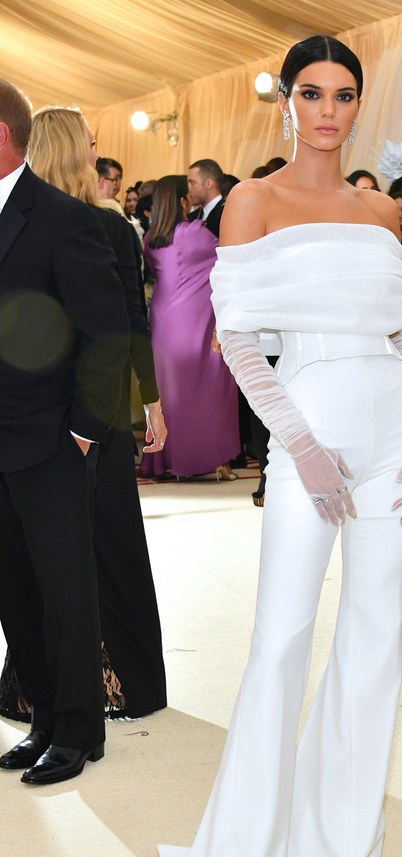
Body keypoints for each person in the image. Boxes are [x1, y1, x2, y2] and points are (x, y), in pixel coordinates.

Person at [70, 34, 402, 857]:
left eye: (344, 95)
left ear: (359, 105)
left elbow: (396, 333)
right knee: (281, 639)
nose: (328, 110)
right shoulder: (253, 202)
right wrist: (299, 445)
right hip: (309, 429)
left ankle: (344, 838)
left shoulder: (380, 212)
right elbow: (236, 339)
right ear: (287, 102)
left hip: (396, 437)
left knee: (376, 632)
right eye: (312, 93)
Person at [0, 104, 168, 722]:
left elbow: (122, 325)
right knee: (45, 559)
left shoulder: (103, 223)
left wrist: (138, 404)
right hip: (51, 419)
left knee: (95, 549)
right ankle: (53, 695)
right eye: (91, 142)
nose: (98, 152)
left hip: (90, 416)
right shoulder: (44, 218)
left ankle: (110, 689)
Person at [0, 80, 130, 784]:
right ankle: (44, 717)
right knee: (14, 591)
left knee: (65, 590)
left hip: (51, 439)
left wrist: (82, 432)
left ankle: (80, 729)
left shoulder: (62, 218)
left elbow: (107, 331)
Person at [138, 175, 239, 480]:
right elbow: (229, 258)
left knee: (167, 390)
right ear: (182, 201)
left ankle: (167, 457)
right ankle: (211, 459)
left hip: (163, 318)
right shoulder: (194, 232)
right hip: (195, 318)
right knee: (208, 387)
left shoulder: (151, 237)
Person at [186, 158, 224, 237]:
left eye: (192, 183)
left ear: (208, 184)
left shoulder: (226, 213)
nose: (188, 189)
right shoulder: (192, 216)